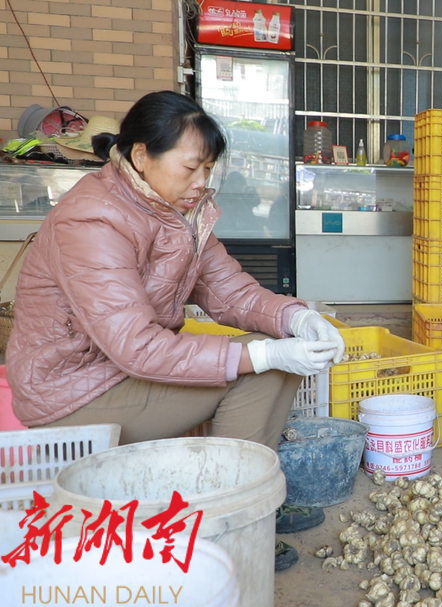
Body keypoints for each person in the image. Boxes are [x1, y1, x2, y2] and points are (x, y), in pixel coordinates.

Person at [6, 91, 346, 570]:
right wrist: (264, 355)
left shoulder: (177, 213)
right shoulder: (92, 219)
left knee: (276, 349)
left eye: (208, 168)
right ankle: (228, 522)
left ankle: (247, 501)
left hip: (126, 374)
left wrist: (298, 318)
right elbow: (137, 347)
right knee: (263, 364)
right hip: (75, 393)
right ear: (142, 155)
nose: (201, 182)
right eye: (190, 168)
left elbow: (231, 292)